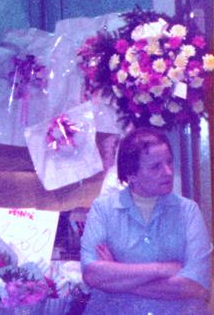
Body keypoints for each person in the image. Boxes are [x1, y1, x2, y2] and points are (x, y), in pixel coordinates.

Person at [80, 126, 212, 314]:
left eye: (169, 162)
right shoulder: (103, 209)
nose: (167, 172)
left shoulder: (188, 211)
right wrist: (161, 269)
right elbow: (92, 274)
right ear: (131, 175)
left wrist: (116, 275)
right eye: (155, 166)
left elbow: (196, 285)